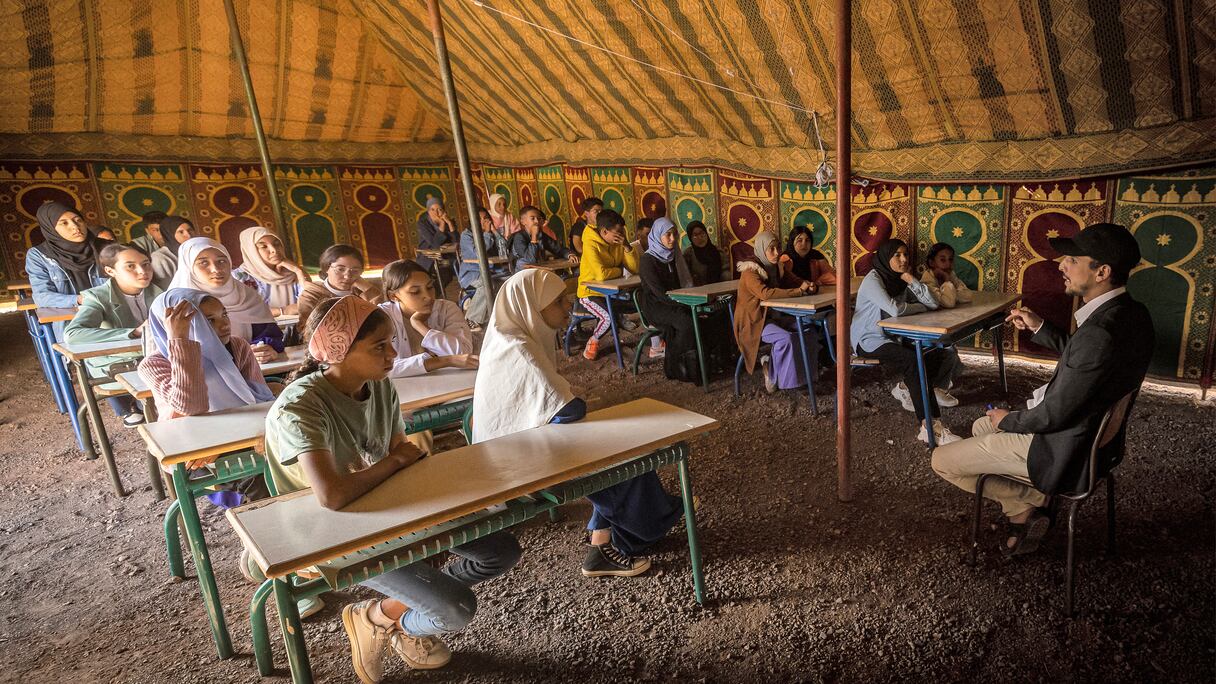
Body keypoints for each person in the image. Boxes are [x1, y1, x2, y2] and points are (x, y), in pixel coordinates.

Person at [266, 296, 520, 679]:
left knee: (500, 550)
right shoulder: (301, 407)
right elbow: (333, 496)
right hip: (328, 536)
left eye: (390, 342)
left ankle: (379, 616)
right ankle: (395, 621)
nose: (393, 354)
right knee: (456, 609)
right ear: (338, 351)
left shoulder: (379, 386)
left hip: (388, 512)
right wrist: (396, 463)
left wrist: (427, 524)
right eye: (379, 346)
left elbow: (403, 456)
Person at [931, 223, 1153, 556]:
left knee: (941, 459)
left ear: (1102, 272)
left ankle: (1026, 502)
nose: (1062, 266)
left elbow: (1052, 414)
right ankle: (1027, 506)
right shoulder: (1131, 314)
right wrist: (1040, 327)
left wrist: (1008, 420)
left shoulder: (1099, 333)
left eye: (1073, 260)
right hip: (1096, 445)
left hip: (1062, 452)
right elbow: (1088, 359)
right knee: (979, 426)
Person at [472, 269, 682, 577]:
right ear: (533, 305)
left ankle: (611, 538)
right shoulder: (516, 349)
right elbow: (567, 410)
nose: (568, 305)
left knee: (624, 447)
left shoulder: (515, 337)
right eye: (558, 301)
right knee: (627, 459)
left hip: (524, 447)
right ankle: (633, 537)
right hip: (516, 466)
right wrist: (576, 399)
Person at [851, 239, 959, 445]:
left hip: (894, 336)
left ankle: (905, 387)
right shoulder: (873, 279)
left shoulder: (900, 279)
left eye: (906, 255)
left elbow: (933, 303)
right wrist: (919, 307)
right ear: (886, 258)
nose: (903, 259)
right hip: (869, 339)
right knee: (912, 360)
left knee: (938, 350)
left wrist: (911, 279)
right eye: (897, 255)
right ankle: (929, 426)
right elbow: (895, 309)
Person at [138, 288, 277, 420]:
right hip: (187, 433)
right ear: (171, 327)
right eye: (209, 320)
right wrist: (180, 341)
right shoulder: (153, 365)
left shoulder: (237, 346)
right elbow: (191, 407)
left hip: (243, 423)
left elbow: (260, 395)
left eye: (224, 315)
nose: (225, 325)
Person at [64, 244, 163, 426]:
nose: (142, 271)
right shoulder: (98, 297)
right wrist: (133, 332)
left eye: (146, 264)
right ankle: (134, 409)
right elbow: (73, 334)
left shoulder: (161, 291)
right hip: (119, 365)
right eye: (130, 266)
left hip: (155, 359)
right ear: (110, 271)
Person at [638, 218, 727, 382]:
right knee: (687, 323)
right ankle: (675, 365)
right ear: (657, 236)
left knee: (708, 319)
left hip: (677, 300)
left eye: (675, 234)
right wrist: (686, 304)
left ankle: (702, 366)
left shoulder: (675, 255)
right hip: (657, 306)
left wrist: (691, 302)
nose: (673, 239)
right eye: (668, 235)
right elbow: (659, 293)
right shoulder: (647, 260)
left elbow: (684, 284)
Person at [169, 237, 285, 359]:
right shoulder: (177, 305)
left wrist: (265, 349)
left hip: (253, 368)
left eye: (221, 261)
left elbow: (270, 335)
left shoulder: (247, 296)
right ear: (188, 267)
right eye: (203, 263)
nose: (216, 269)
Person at [733, 231, 817, 393]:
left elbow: (795, 281)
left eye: (778, 247)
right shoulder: (750, 271)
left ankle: (806, 377)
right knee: (786, 338)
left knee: (809, 331)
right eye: (771, 249)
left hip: (774, 317)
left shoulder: (777, 266)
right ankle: (780, 378)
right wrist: (799, 291)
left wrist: (808, 285)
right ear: (761, 249)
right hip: (754, 322)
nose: (777, 252)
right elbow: (765, 294)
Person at [26, 201, 109, 342]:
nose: (75, 226)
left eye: (78, 220)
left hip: (110, 316)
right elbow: (42, 297)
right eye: (64, 223)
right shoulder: (39, 255)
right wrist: (79, 299)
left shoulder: (104, 247)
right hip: (72, 323)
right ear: (50, 228)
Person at [379, 259, 477, 377]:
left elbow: (463, 354)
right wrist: (445, 361)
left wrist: (419, 325)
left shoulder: (446, 309)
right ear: (393, 296)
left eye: (430, 287)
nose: (428, 296)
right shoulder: (382, 316)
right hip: (402, 386)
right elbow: (381, 368)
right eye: (415, 292)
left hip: (448, 381)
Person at [576, 209, 644, 361]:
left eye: (623, 232)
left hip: (611, 291)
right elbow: (600, 275)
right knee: (608, 318)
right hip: (589, 293)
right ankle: (593, 341)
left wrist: (627, 246)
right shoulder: (590, 244)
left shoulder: (619, 242)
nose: (622, 236)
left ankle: (657, 343)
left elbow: (635, 269)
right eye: (618, 233)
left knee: (643, 302)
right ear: (604, 232)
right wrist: (619, 270)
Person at [919, 242, 974, 400]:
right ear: (931, 262)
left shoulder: (950, 275)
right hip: (927, 329)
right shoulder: (926, 282)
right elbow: (949, 302)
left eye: (950, 259)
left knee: (952, 351)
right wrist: (948, 283)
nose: (948, 264)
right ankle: (938, 388)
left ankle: (941, 381)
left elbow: (967, 296)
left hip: (941, 324)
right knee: (949, 350)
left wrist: (949, 282)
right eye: (942, 259)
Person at [232, 226, 310, 317]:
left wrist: (299, 270)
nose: (274, 250)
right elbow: (240, 311)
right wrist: (283, 311)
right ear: (251, 250)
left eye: (277, 244)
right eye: (264, 246)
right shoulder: (238, 277)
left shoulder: (291, 273)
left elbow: (310, 303)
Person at [296, 244, 384, 324]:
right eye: (340, 269)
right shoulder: (311, 295)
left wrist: (369, 289)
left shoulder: (363, 291)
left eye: (355, 270)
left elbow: (383, 320)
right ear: (326, 268)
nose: (347, 276)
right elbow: (305, 329)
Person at [457, 206, 511, 327]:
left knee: (511, 280)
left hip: (492, 271)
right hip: (472, 274)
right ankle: (472, 319)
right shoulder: (466, 235)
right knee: (488, 284)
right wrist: (487, 233)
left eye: (486, 218)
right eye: (479, 218)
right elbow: (479, 253)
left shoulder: (490, 232)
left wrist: (494, 232)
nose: (483, 221)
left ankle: (500, 316)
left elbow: (505, 249)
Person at [509, 205, 578, 271]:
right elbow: (531, 260)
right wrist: (534, 236)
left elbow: (558, 249)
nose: (537, 221)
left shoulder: (541, 235)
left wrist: (570, 255)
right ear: (523, 221)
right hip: (523, 274)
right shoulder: (519, 237)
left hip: (539, 271)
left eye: (538, 219)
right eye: (532, 218)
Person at [414, 197, 457, 291]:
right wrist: (442, 225)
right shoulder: (423, 224)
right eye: (432, 209)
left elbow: (457, 241)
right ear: (428, 211)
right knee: (445, 275)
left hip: (446, 257)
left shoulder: (448, 221)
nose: (436, 213)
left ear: (444, 211)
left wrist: (449, 223)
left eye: (439, 209)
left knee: (461, 267)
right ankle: (434, 295)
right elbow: (435, 244)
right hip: (428, 258)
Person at [779, 224, 837, 290]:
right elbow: (784, 282)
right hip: (793, 294)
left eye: (807, 240)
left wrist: (817, 282)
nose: (804, 244)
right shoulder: (786, 259)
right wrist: (805, 285)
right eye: (799, 240)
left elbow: (834, 276)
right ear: (792, 242)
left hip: (813, 292)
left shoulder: (815, 256)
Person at [150, 216, 197, 291]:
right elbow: (167, 291)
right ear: (170, 234)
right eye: (181, 232)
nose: (189, 235)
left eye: (190, 230)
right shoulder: (159, 259)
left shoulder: (199, 252)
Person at [683, 220, 727, 286]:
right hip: (697, 290)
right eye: (695, 235)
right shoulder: (688, 254)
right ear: (690, 238)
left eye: (702, 233)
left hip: (719, 289)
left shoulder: (718, 252)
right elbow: (685, 278)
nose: (700, 237)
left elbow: (726, 273)